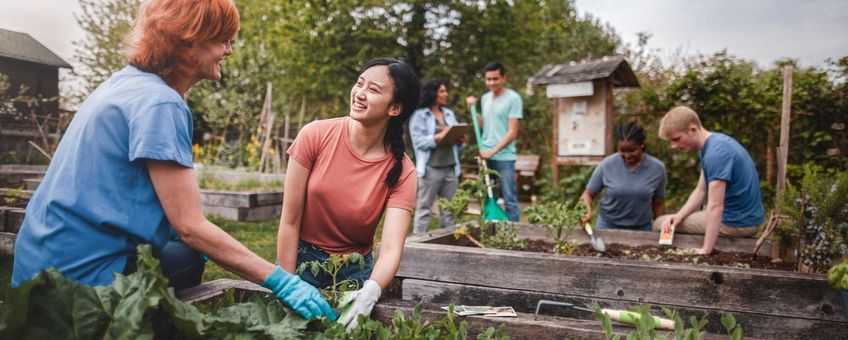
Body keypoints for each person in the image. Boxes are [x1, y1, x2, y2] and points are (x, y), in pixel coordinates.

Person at [11, 0, 335, 321]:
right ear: (189, 40)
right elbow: (191, 227)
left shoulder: (123, 83)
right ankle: (148, 323)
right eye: (223, 39)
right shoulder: (160, 104)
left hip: (37, 271)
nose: (229, 51)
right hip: (84, 284)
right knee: (190, 255)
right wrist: (281, 281)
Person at [275, 58, 419, 330]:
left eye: (374, 90)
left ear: (395, 108)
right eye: (359, 83)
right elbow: (289, 220)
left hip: (354, 274)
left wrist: (370, 292)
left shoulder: (403, 172)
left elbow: (390, 249)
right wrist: (287, 281)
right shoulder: (315, 135)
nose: (360, 93)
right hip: (300, 261)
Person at [653, 106, 764, 255]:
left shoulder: (715, 154)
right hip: (745, 218)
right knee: (671, 221)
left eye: (676, 139)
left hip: (737, 222)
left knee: (660, 223)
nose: (673, 146)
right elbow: (701, 190)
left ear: (692, 129)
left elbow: (715, 206)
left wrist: (706, 249)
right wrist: (678, 216)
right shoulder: (714, 144)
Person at [581, 122, 667, 231]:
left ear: (641, 145)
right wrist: (586, 209)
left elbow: (658, 203)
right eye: (622, 151)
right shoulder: (607, 165)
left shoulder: (657, 168)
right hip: (608, 226)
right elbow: (588, 194)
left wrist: (662, 232)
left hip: (642, 228)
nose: (627, 155)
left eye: (632, 150)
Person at [465, 61, 523, 222]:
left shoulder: (513, 98)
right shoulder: (485, 98)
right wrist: (473, 111)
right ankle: (489, 233)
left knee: (509, 199)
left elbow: (512, 132)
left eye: (495, 79)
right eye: (488, 79)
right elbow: (485, 125)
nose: (491, 83)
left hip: (504, 157)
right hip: (486, 156)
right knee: (487, 197)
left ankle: (514, 236)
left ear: (503, 78)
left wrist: (493, 151)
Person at [409, 79, 466, 234]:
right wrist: (437, 138)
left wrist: (461, 140)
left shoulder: (449, 114)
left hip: (451, 168)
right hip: (430, 170)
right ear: (432, 93)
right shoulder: (420, 115)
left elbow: (456, 142)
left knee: (449, 210)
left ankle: (447, 244)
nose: (445, 94)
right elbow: (418, 142)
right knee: (424, 208)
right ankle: (418, 244)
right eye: (442, 91)